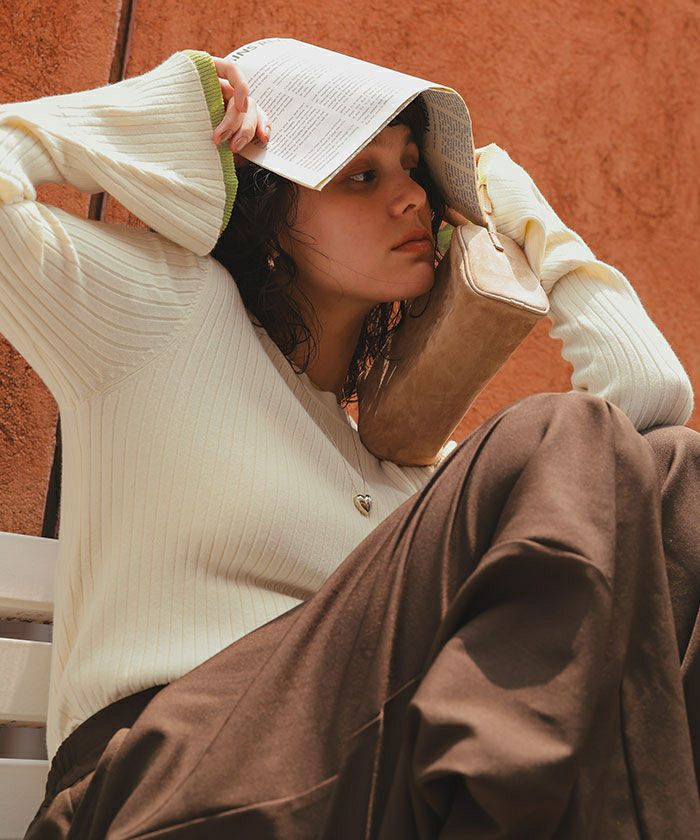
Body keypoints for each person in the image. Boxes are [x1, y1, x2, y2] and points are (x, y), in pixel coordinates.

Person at [0, 46, 697, 838]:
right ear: (268, 210)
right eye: (360, 175)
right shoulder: (165, 315)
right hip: (167, 784)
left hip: (348, 790)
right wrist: (170, 117)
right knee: (560, 434)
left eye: (415, 171)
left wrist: (527, 221)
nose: (414, 198)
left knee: (679, 473)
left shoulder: (407, 470)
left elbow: (650, 406)